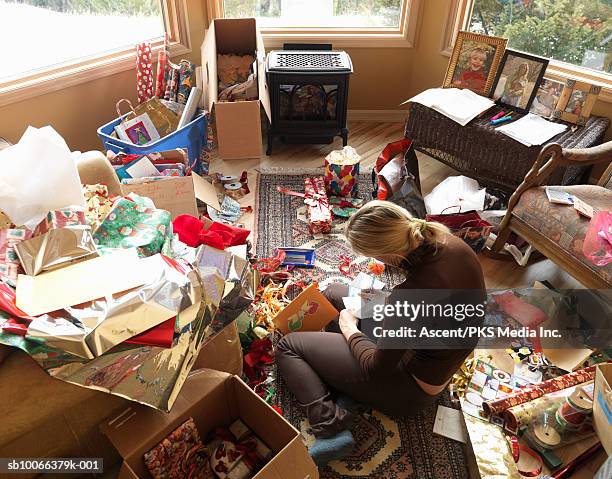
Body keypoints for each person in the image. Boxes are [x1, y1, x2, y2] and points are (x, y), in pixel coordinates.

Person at [276, 201, 486, 465]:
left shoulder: (409, 297)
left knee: (288, 345)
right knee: (335, 294)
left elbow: (378, 368)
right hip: (429, 347)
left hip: (413, 389)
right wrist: (379, 304)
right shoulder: (451, 243)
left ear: (387, 255)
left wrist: (350, 330)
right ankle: (345, 387)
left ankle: (330, 429)